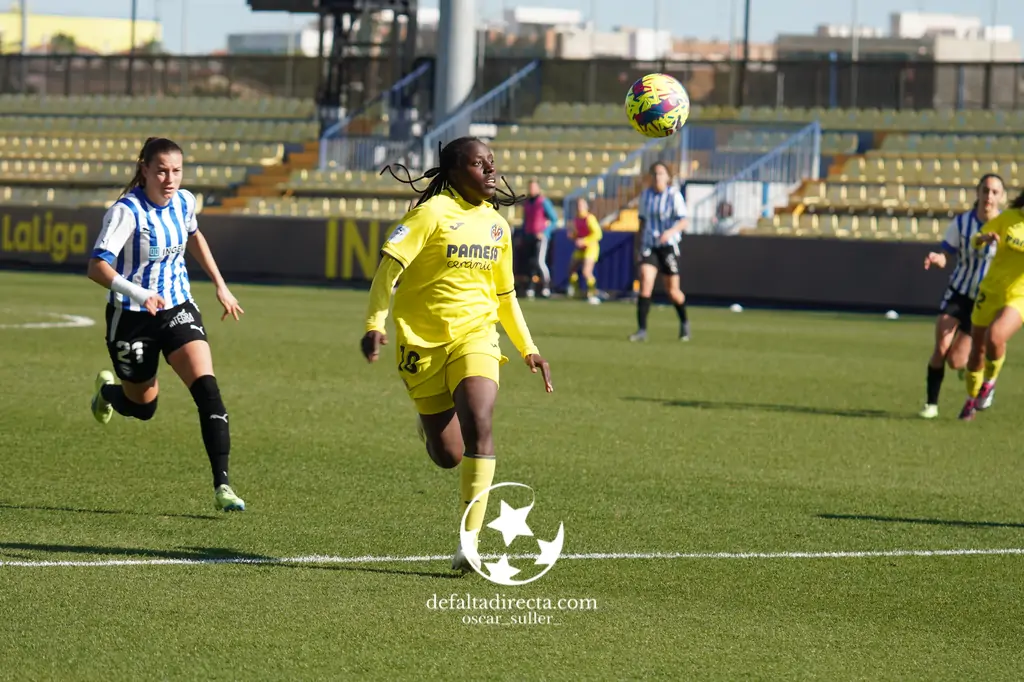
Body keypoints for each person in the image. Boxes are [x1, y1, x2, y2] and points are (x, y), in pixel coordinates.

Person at [362, 137, 553, 573]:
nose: (490, 172)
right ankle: (428, 427)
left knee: (480, 424)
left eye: (492, 163)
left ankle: (470, 542)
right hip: (422, 344)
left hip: (477, 336)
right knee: (447, 454)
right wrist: (374, 325)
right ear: (452, 171)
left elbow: (504, 295)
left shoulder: (497, 226)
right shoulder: (428, 215)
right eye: (478, 164)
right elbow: (387, 272)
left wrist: (529, 349)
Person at [87, 137, 247, 512]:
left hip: (177, 308)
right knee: (143, 407)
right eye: (161, 170)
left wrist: (221, 286)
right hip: (131, 319)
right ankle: (108, 394)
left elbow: (194, 236)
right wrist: (140, 294)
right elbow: (97, 267)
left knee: (208, 390)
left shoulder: (185, 202)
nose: (169, 178)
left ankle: (223, 485)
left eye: (176, 170)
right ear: (144, 169)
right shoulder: (126, 212)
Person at [919, 174, 1005, 419]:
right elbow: (947, 252)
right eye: (985, 190)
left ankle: (966, 370)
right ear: (977, 193)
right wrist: (938, 258)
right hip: (958, 294)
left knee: (956, 361)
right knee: (941, 348)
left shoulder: (1005, 225)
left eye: (994, 192)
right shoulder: (962, 223)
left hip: (983, 302)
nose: (989, 196)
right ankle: (931, 404)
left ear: (1001, 197)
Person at [959, 188, 1024, 421]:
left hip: (1019, 296)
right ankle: (970, 399)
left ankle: (989, 383)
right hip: (990, 291)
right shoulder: (1008, 218)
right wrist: (984, 239)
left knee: (995, 337)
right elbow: (977, 240)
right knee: (977, 352)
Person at [629, 161, 690, 342]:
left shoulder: (673, 195)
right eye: (654, 174)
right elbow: (642, 222)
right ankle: (642, 330)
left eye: (661, 173)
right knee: (646, 282)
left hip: (668, 246)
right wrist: (638, 245)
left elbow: (683, 220)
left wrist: (670, 232)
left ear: (668, 177)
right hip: (650, 245)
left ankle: (684, 323)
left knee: (673, 292)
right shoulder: (646, 195)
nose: (657, 177)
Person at [517, 179, 559, 298]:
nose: (532, 190)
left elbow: (554, 219)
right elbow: (526, 221)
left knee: (540, 262)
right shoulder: (527, 203)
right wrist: (523, 234)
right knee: (531, 263)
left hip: (540, 238)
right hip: (529, 237)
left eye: (534, 187)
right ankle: (531, 287)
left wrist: (545, 232)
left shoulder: (543, 202)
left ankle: (546, 286)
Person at [566, 196, 603, 304]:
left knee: (586, 272)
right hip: (581, 248)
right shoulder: (576, 219)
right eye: (578, 205)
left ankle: (592, 294)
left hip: (591, 247)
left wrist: (584, 241)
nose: (579, 207)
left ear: (586, 207)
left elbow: (598, 234)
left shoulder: (590, 218)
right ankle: (576, 292)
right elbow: (578, 233)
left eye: (581, 205)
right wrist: (573, 236)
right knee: (571, 269)